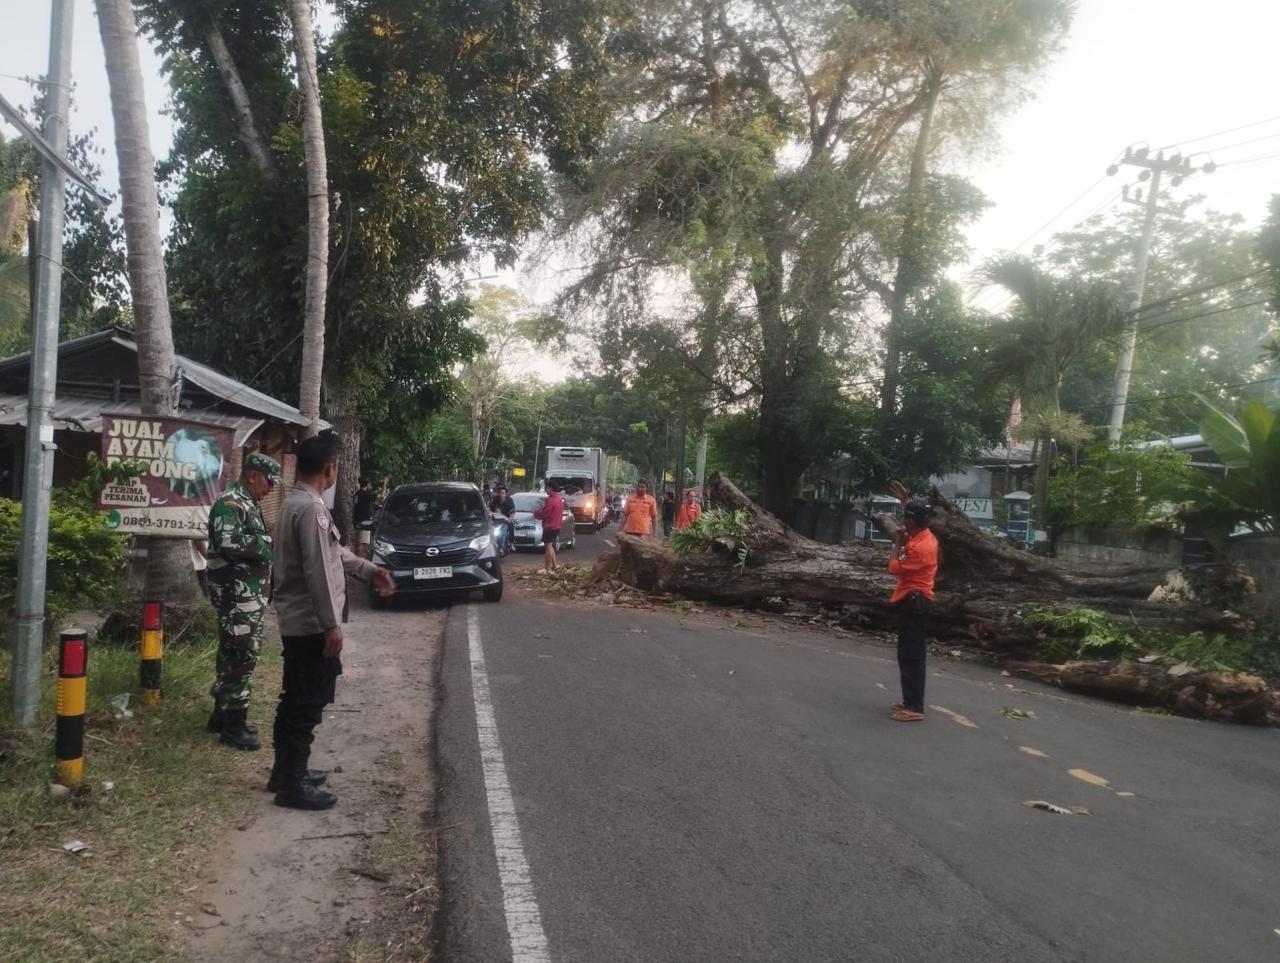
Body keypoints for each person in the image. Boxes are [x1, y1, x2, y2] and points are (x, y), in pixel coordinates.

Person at [270, 431, 396, 810]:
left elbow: (335, 553)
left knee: (294, 698)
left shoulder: (295, 504)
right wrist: (330, 625)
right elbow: (319, 571)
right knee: (306, 703)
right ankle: (292, 785)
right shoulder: (312, 510)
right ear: (330, 469)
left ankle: (286, 772)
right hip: (310, 624)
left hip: (299, 621)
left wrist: (369, 570)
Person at [206, 452, 281, 749]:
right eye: (270, 480)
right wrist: (268, 544)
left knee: (233, 653)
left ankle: (222, 715)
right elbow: (230, 542)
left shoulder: (248, 503)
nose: (272, 487)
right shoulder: (230, 503)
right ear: (252, 476)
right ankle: (233, 727)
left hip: (247, 597)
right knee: (241, 655)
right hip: (236, 596)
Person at [886, 481, 939, 723]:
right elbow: (913, 524)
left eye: (905, 518)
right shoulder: (924, 535)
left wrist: (897, 544)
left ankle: (915, 707)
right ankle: (910, 701)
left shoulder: (921, 548)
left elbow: (893, 567)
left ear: (912, 521)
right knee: (908, 653)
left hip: (915, 602)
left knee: (911, 656)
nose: (902, 524)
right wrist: (905, 501)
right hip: (913, 600)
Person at [532, 480, 564, 573]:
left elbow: (545, 513)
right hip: (557, 526)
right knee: (550, 546)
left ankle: (547, 568)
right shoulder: (559, 499)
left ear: (551, 488)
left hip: (550, 526)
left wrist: (535, 513)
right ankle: (555, 565)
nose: (546, 490)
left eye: (547, 488)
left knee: (548, 547)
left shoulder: (551, 500)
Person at [353, 477, 376, 558]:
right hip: (365, 522)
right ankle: (359, 558)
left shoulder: (357, 494)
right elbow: (381, 495)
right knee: (363, 543)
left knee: (358, 541)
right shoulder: (367, 495)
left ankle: (357, 557)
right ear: (367, 484)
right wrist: (385, 483)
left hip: (357, 520)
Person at [489, 484, 516, 554]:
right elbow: (490, 509)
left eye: (503, 493)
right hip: (496, 520)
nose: (501, 495)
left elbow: (513, 512)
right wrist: (490, 514)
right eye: (500, 493)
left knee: (508, 527)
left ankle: (509, 544)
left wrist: (510, 518)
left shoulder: (510, 500)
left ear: (506, 494)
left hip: (505, 520)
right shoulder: (495, 499)